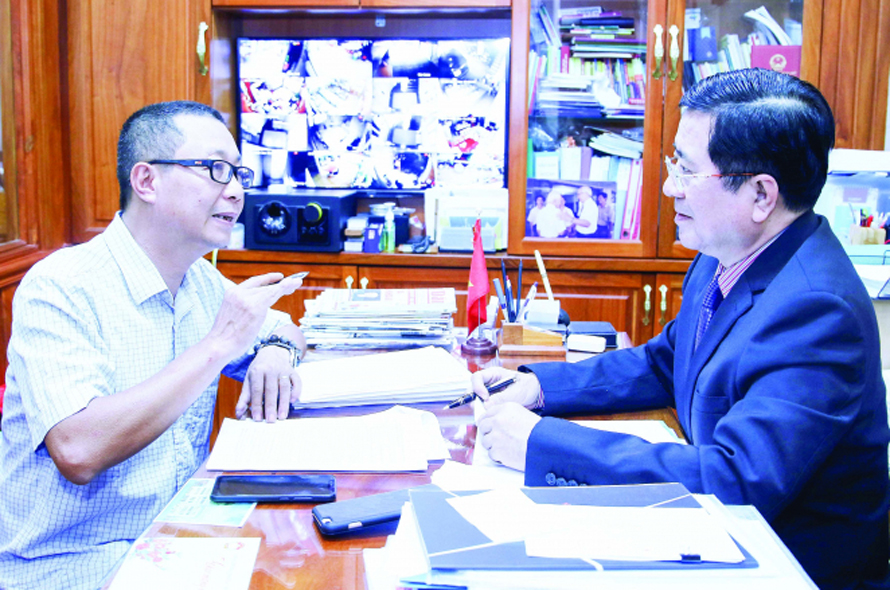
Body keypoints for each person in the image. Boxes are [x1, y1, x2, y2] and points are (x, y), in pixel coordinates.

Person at [472, 69, 889, 589]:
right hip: (717, 542)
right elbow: (664, 362)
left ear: (761, 194)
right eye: (674, 164)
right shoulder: (726, 254)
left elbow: (735, 479)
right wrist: (538, 388)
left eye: (687, 170)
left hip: (787, 570)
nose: (669, 186)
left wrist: (541, 443)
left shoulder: (817, 311)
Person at [0, 101, 307, 590]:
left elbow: (283, 327)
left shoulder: (200, 280)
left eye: (239, 173)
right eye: (215, 170)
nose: (236, 190)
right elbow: (78, 449)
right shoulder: (61, 286)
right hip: (69, 564)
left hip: (176, 542)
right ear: (146, 181)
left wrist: (275, 351)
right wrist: (219, 345)